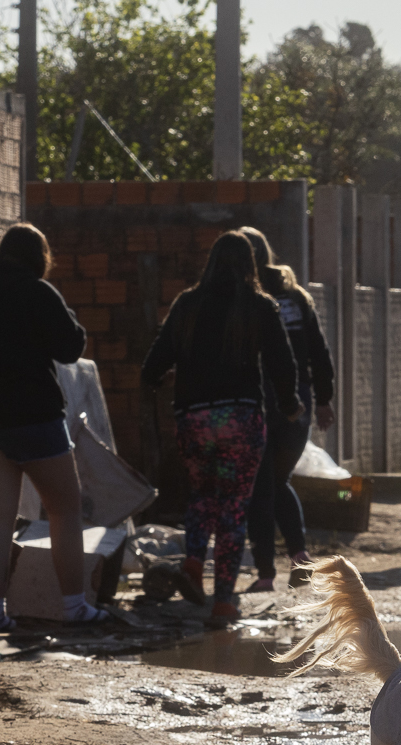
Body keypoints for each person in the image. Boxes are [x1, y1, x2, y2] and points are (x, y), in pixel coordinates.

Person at [141, 231, 301, 625]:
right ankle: (224, 601)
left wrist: (156, 383)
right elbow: (282, 363)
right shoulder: (259, 306)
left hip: (193, 419)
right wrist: (289, 404)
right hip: (240, 422)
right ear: (250, 264)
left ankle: (194, 564)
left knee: (202, 494)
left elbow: (154, 363)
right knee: (233, 506)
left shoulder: (187, 304)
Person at [0, 223, 98, 632]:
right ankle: (74, 607)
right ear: (39, 257)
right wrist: (68, 317)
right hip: (35, 418)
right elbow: (70, 348)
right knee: (64, 509)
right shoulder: (38, 293)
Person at [236, 226, 334, 593]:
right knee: (277, 481)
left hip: (259, 401)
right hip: (298, 403)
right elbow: (319, 353)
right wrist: (323, 400)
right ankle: (299, 557)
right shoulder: (296, 298)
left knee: (260, 486)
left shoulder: (243, 299)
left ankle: (265, 574)